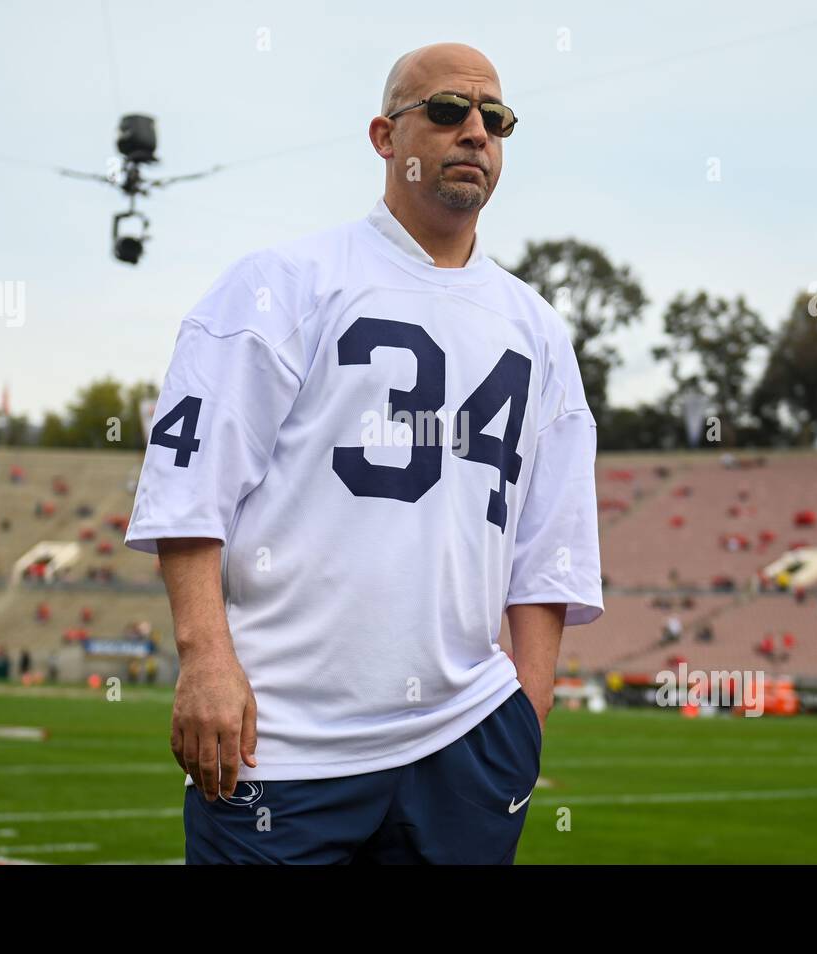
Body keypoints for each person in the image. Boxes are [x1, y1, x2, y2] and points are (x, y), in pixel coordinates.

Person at [124, 43, 602, 865]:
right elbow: (189, 487)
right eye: (448, 111)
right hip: (284, 739)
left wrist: (528, 713)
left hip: (467, 743)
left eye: (496, 118)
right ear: (385, 136)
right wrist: (204, 658)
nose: (476, 133)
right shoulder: (285, 282)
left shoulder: (538, 329)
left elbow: (549, 550)